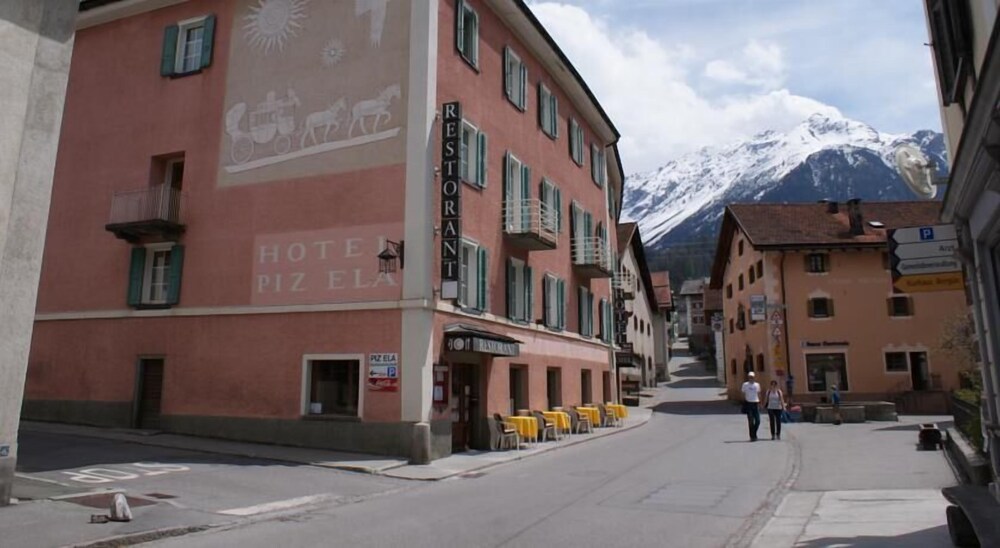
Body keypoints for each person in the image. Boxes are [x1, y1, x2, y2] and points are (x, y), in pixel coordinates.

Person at [741, 371, 762, 441]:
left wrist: (760, 402)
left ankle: (754, 432)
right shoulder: (745, 385)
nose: (751, 378)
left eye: (752, 377)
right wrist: (744, 402)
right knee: (750, 421)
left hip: (755, 403)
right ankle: (752, 436)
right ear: (748, 377)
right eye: (750, 377)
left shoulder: (757, 385)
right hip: (748, 403)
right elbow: (743, 393)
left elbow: (759, 393)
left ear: (754, 377)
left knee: (758, 421)